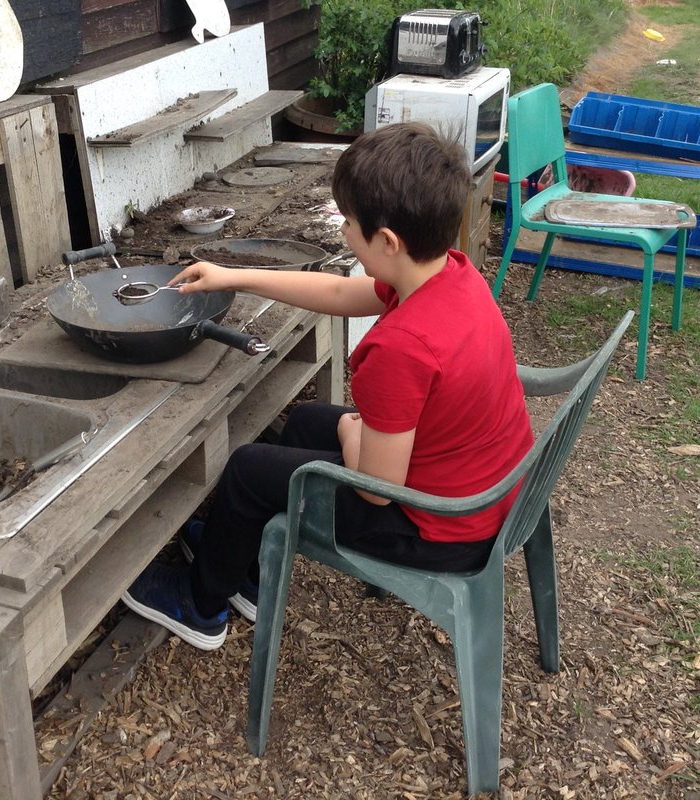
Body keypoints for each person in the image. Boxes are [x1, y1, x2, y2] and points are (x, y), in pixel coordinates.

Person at [120, 122, 536, 651]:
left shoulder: (402, 347)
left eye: (350, 223)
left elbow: (374, 490)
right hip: (477, 487)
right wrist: (231, 275)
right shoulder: (448, 272)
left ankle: (201, 606)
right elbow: (341, 291)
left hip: (437, 529)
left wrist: (349, 427)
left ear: (387, 241)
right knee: (302, 421)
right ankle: (243, 566)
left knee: (248, 469)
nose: (342, 231)